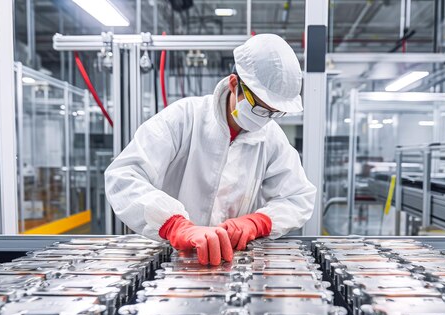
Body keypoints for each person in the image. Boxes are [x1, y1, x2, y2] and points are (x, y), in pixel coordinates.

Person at [105, 34, 316, 265]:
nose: (266, 119)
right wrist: (175, 225)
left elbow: (298, 197)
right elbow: (123, 177)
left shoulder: (271, 136)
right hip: (171, 259)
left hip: (232, 262)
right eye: (260, 108)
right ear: (235, 84)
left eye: (274, 112)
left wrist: (259, 221)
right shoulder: (184, 117)